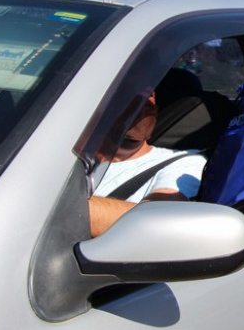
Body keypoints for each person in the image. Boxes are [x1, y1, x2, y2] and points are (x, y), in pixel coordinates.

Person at [88, 91, 206, 237]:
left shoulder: (184, 162)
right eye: (134, 93)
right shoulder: (72, 153)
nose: (146, 102)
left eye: (150, 95)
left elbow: (157, 219)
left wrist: (70, 210)